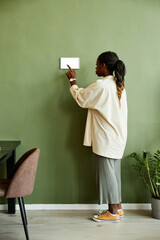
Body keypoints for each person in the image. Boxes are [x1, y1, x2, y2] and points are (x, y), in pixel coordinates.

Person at [66, 51, 128, 223]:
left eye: (97, 64)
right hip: (116, 137)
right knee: (113, 175)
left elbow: (81, 98)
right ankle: (118, 208)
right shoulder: (117, 84)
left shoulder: (102, 86)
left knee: (107, 176)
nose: (95, 67)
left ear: (104, 66)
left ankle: (113, 212)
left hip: (106, 139)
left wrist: (72, 81)